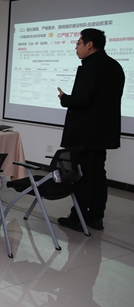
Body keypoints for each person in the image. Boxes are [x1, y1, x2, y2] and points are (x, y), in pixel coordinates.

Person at [57, 28, 125, 232]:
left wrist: (65, 99)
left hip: (84, 133)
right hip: (103, 133)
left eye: (78, 43)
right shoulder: (115, 67)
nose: (76, 48)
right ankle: (96, 217)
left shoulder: (90, 67)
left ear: (89, 44)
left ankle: (78, 218)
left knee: (82, 175)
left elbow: (82, 99)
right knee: (98, 174)